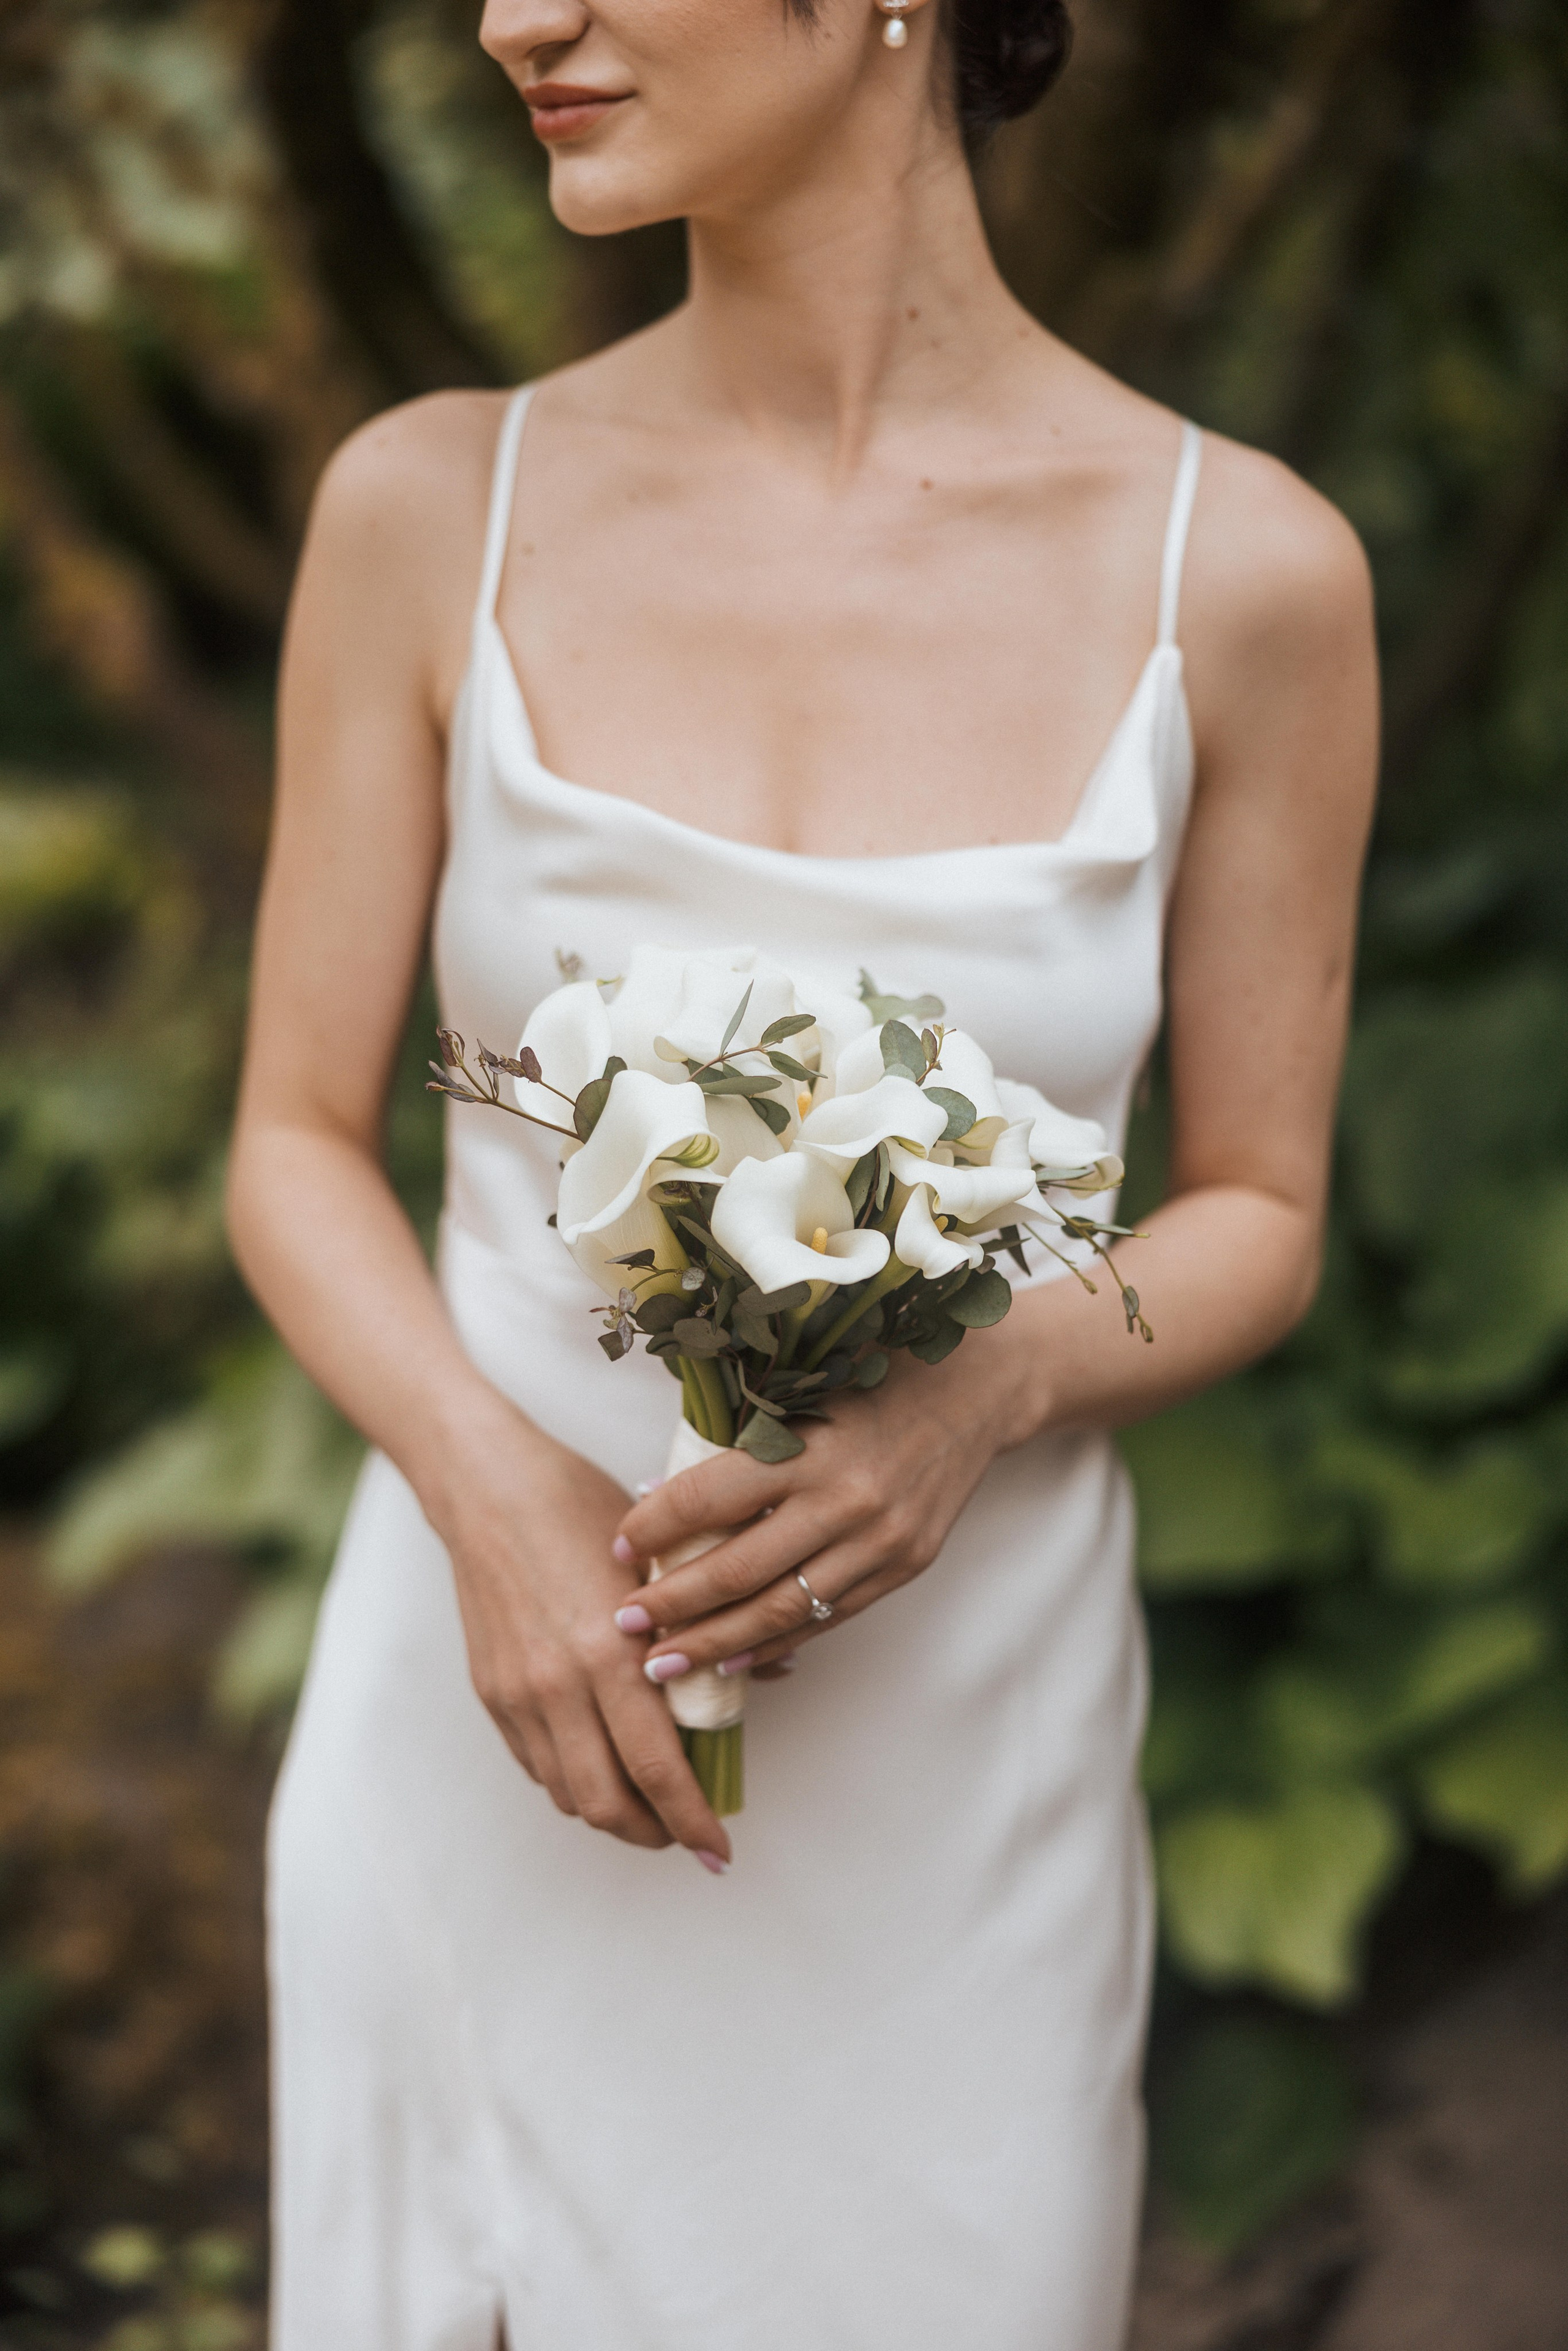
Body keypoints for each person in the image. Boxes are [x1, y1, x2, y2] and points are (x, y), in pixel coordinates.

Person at [227, 0, 1378, 2342]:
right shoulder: (432, 504)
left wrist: (989, 1386)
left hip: (960, 1789)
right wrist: (491, 1489)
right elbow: (284, 1141)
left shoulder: (1244, 574)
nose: (509, 20)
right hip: (489, 1716)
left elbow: (1255, 1206)